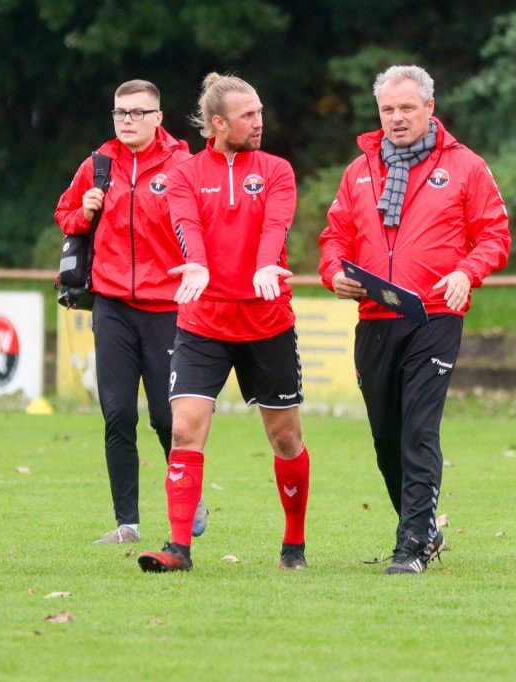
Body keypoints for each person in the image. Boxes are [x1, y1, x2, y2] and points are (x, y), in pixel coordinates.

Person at [318, 65, 511, 574]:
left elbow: (495, 235)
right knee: (386, 438)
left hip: (435, 316)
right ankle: (424, 529)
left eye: (407, 108)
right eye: (388, 109)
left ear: (429, 107)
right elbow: (334, 237)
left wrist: (468, 273)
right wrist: (332, 272)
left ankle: (412, 548)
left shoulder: (466, 166)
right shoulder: (359, 169)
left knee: (418, 431)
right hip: (375, 316)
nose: (397, 118)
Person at [137, 73, 310, 573]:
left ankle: (293, 547)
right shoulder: (186, 173)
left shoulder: (277, 169)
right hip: (203, 323)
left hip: (266, 321)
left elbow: (276, 223)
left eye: (259, 112)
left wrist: (262, 264)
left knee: (285, 439)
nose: (259, 122)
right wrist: (198, 263)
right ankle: (177, 549)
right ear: (218, 123)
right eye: (247, 115)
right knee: (185, 431)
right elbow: (186, 223)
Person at [54, 79, 207, 545]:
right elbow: (65, 215)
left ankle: (190, 497)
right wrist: (84, 210)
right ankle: (127, 524)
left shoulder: (183, 165)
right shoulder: (97, 164)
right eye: (121, 113)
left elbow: (204, 223)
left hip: (167, 308)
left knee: (166, 418)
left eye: (138, 113)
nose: (127, 121)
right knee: (118, 413)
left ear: (159, 118)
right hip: (112, 304)